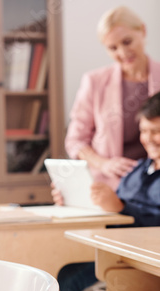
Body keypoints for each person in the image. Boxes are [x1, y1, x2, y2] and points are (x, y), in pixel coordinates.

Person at [55, 91, 160, 291]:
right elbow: (110, 212)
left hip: (139, 261)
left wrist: (122, 207)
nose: (149, 139)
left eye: (156, 131)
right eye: (144, 131)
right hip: (112, 251)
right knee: (58, 271)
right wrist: (74, 198)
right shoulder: (137, 170)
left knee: (68, 278)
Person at [65, 6, 160, 191]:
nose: (123, 53)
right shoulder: (94, 82)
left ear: (142, 30)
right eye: (113, 48)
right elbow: (75, 141)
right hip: (109, 185)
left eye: (127, 41)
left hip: (154, 187)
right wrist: (103, 163)